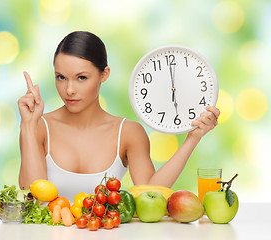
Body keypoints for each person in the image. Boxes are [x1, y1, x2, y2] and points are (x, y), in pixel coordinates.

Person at [18, 31, 220, 201]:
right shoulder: (38, 126)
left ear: (104, 74)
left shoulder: (128, 132)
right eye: (61, 77)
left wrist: (193, 138)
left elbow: (150, 192)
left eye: (81, 78)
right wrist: (27, 125)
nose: (69, 90)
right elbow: (31, 197)